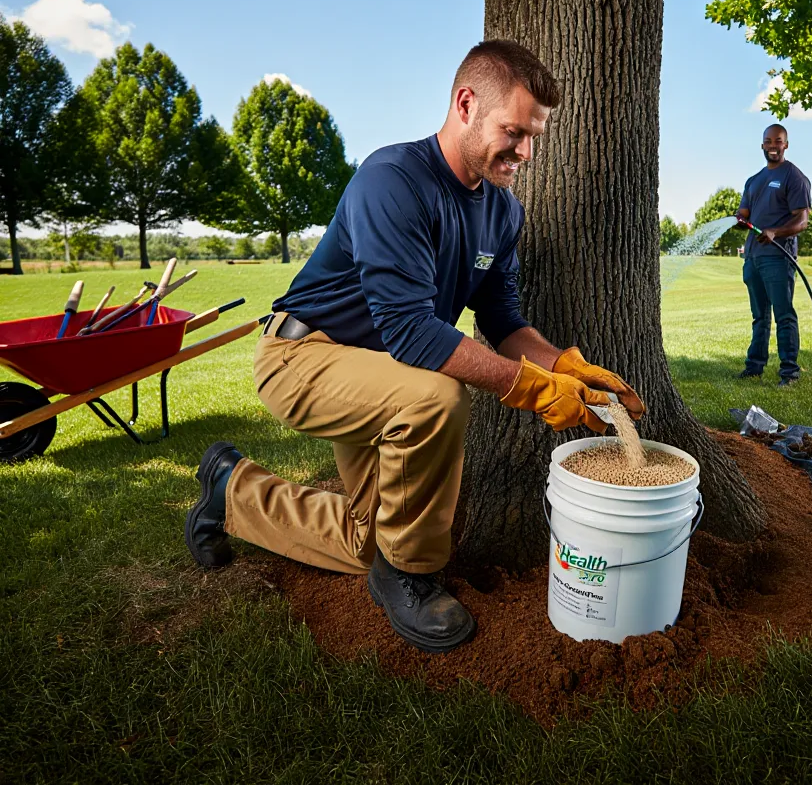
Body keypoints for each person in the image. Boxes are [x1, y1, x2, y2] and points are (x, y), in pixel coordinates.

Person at [184, 40, 645, 654]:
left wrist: (565, 365)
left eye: (535, 136)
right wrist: (532, 389)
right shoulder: (394, 180)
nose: (527, 152)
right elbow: (409, 329)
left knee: (362, 542)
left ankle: (229, 489)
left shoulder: (503, 213)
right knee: (437, 397)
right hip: (303, 357)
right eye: (514, 131)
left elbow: (504, 321)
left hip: (379, 375)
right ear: (465, 104)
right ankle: (412, 574)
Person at [735, 124, 811, 385]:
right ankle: (754, 366)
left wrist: (775, 232)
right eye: (768, 141)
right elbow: (744, 213)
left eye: (778, 141)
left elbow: (802, 222)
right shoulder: (753, 180)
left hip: (778, 257)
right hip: (753, 257)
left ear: (786, 145)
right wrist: (738, 219)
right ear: (762, 145)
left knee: (783, 314)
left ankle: (789, 372)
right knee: (760, 316)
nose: (773, 146)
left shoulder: (794, 176)